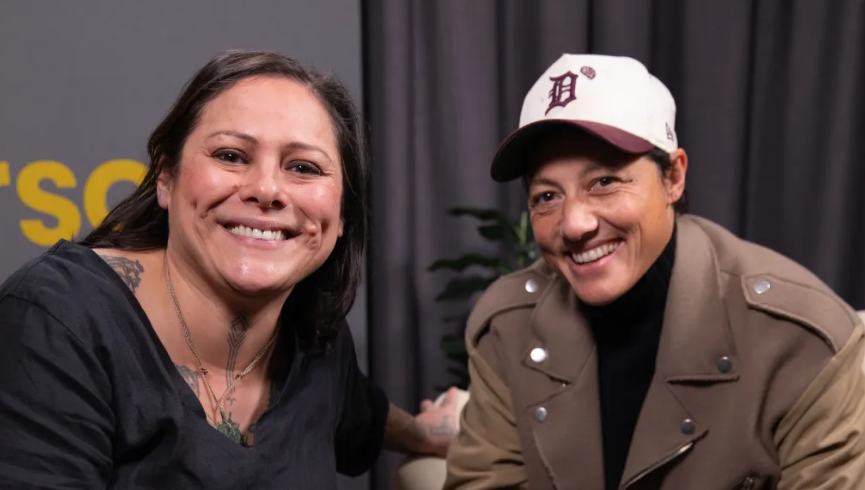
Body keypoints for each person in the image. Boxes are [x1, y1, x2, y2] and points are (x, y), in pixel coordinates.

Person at [0, 49, 459, 489]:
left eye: (303, 167)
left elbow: (362, 415)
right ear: (166, 177)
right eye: (231, 156)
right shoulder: (59, 320)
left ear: (342, 217)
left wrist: (432, 435)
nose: (266, 189)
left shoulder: (317, 338)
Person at [444, 54, 865, 490]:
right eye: (547, 196)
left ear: (673, 178)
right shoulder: (507, 326)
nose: (573, 224)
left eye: (604, 182)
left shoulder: (804, 341)